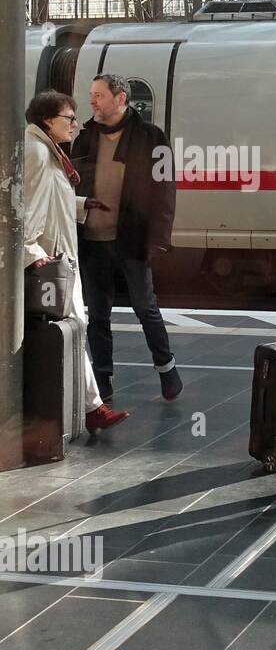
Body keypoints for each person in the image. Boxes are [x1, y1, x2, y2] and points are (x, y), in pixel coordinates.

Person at [23, 91, 129, 433]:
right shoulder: (36, 152)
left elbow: (52, 197)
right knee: (74, 325)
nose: (76, 124)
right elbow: (28, 208)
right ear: (47, 120)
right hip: (52, 260)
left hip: (58, 255)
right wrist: (33, 254)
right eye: (69, 118)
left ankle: (90, 407)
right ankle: (91, 407)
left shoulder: (45, 149)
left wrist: (83, 204)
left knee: (73, 327)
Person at [71, 74, 180, 403]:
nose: (93, 101)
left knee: (145, 307)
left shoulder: (151, 137)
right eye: (91, 95)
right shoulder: (85, 137)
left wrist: (158, 238)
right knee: (98, 314)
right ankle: (103, 379)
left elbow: (165, 192)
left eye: (100, 95)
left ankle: (167, 369)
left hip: (132, 239)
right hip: (92, 239)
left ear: (121, 99)